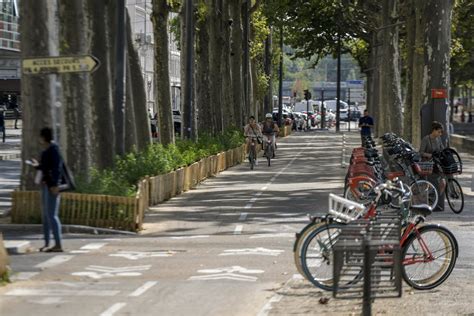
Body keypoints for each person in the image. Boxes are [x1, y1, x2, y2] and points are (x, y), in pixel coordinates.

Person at [31, 128, 64, 252]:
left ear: (44, 137)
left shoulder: (53, 149)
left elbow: (57, 168)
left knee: (52, 215)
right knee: (46, 216)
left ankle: (58, 244)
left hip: (52, 186)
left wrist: (55, 185)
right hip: (46, 185)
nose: (39, 139)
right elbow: (45, 167)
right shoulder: (47, 150)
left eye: (40, 137)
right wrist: (37, 165)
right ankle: (46, 243)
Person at [419, 121, 446, 210]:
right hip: (427, 165)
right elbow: (421, 152)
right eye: (439, 132)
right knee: (429, 184)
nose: (440, 134)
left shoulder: (438, 139)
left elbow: (442, 149)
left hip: (436, 164)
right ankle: (431, 202)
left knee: (442, 182)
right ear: (434, 130)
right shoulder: (426, 139)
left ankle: (436, 199)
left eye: (441, 132)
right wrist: (429, 155)